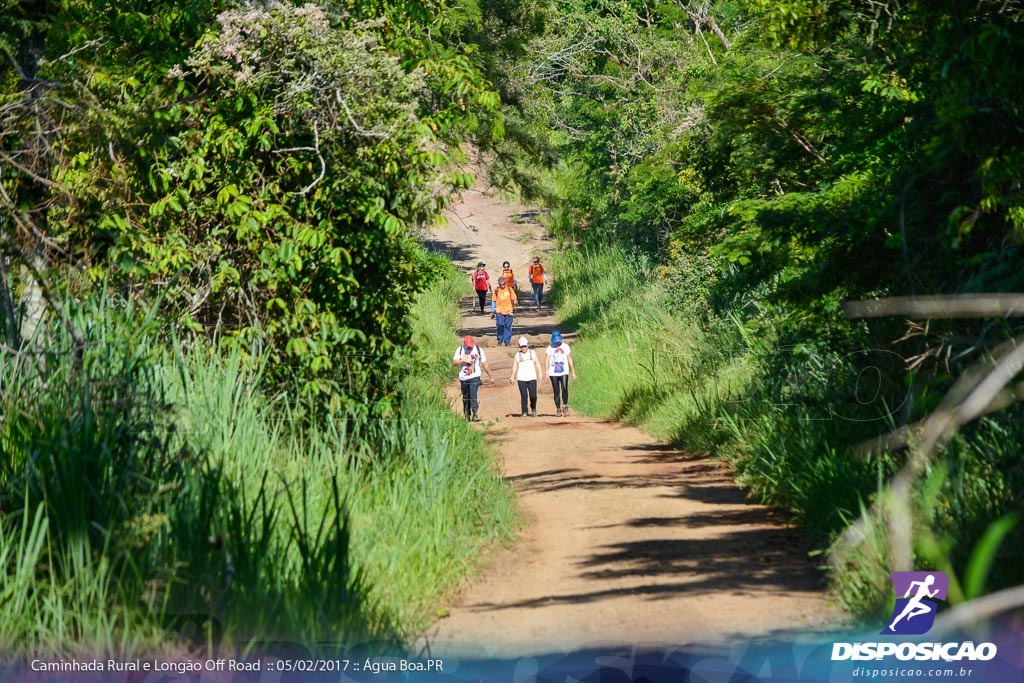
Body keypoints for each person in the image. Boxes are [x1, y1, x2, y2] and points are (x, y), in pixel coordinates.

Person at [452, 335, 494, 421]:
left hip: (475, 376)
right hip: (463, 377)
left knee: (473, 395)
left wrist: (491, 376)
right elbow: (454, 362)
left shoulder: (478, 350)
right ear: (464, 344)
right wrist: (463, 360)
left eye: (471, 345)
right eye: (468, 346)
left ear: (473, 342)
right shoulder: (460, 350)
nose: (470, 348)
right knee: (466, 397)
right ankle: (467, 415)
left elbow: (484, 364)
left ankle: (475, 414)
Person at [545, 330, 576, 416]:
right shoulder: (550, 348)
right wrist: (547, 372)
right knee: (556, 390)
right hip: (553, 372)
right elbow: (547, 360)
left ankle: (565, 406)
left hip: (564, 371)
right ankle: (558, 409)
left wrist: (573, 371)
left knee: (565, 388)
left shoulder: (565, 346)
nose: (557, 342)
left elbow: (569, 359)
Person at [509, 336, 542, 417]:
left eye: (524, 346)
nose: (523, 348)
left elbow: (537, 363)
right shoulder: (517, 355)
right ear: (519, 346)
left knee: (533, 396)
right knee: (524, 396)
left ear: (527, 345)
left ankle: (533, 407)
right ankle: (524, 411)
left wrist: (540, 372)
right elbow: (515, 366)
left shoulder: (532, 353)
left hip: (532, 378)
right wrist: (512, 376)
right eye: (522, 346)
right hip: (521, 378)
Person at [489, 276, 518, 346]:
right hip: (499, 311)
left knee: (508, 326)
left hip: (509, 311)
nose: (502, 286)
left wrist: (515, 301)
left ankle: (507, 342)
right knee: (500, 325)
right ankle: (500, 340)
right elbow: (493, 301)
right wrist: (492, 311)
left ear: (505, 283)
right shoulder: (496, 290)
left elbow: (514, 298)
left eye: (503, 284)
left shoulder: (509, 289)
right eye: (500, 284)